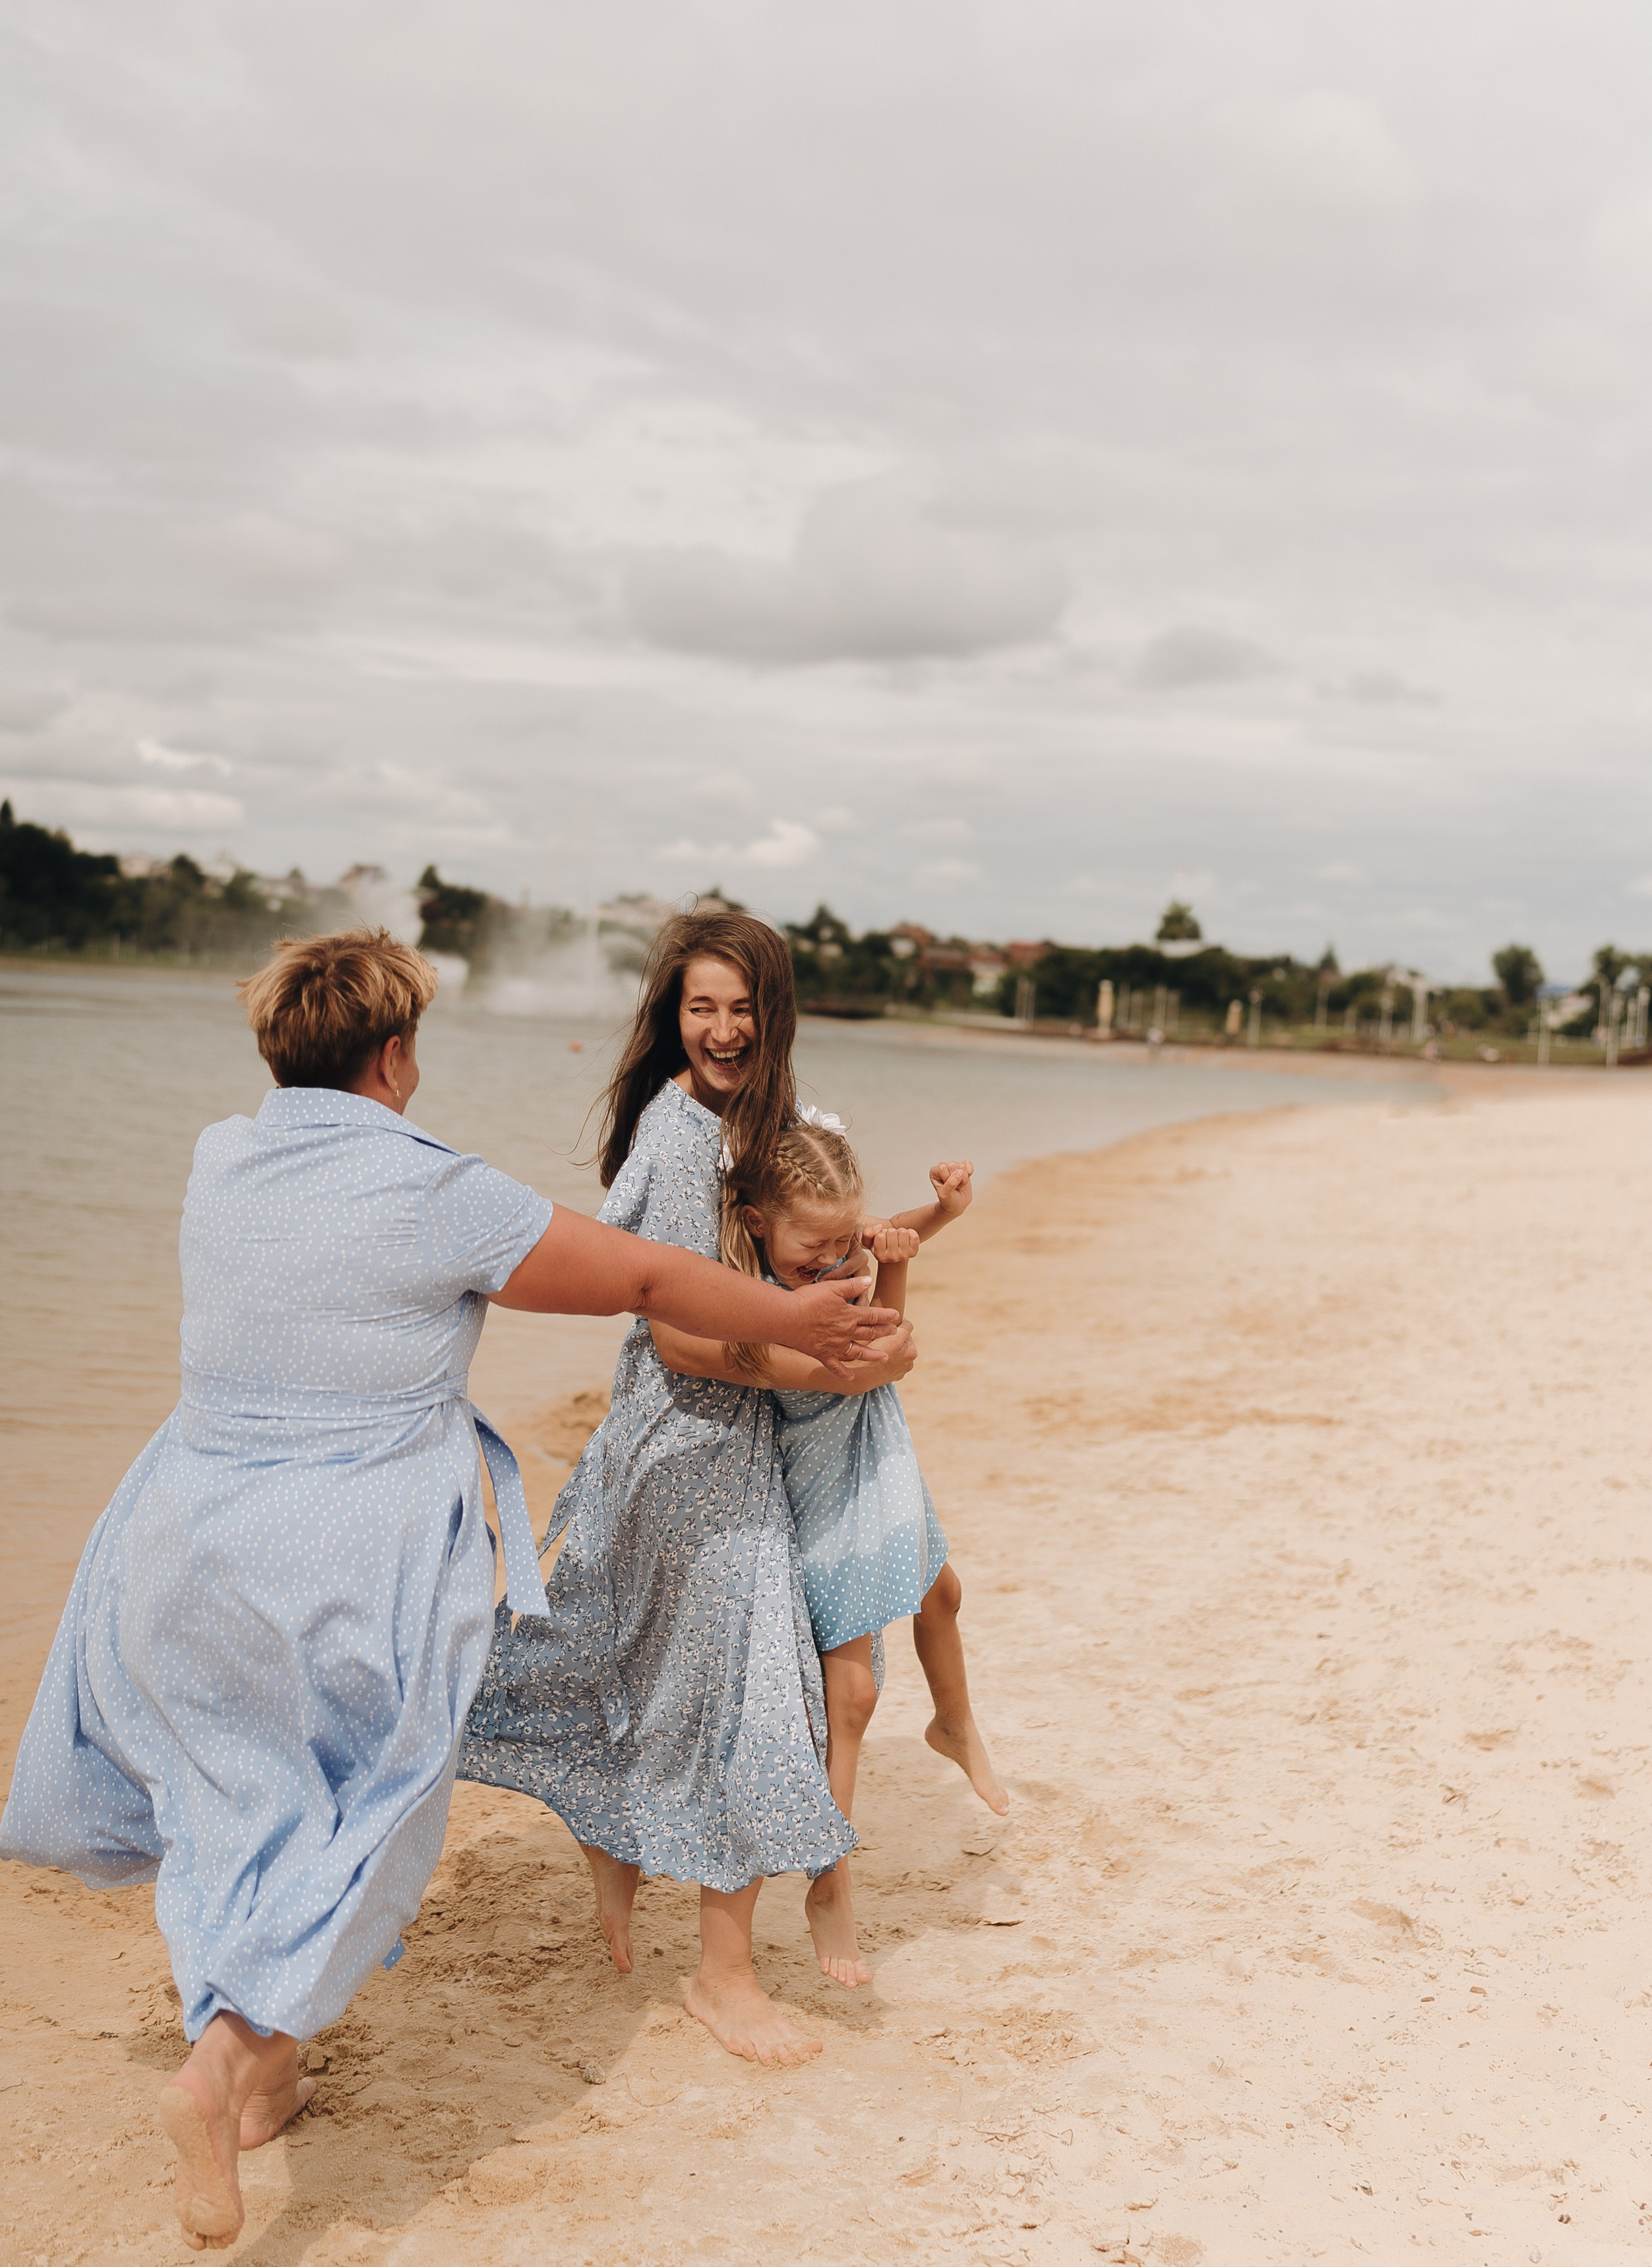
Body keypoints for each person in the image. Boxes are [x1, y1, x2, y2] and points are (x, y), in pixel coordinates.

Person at [0, 929, 895, 2250]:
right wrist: (802, 1320)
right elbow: (640, 1278)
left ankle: (263, 2086)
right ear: (398, 1054)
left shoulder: (217, 1157)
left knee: (234, 1806)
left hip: (177, 1542)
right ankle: (227, 2063)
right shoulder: (438, 1193)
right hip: (340, 1560)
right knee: (367, 1814)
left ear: (274, 1048)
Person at [458, 910, 915, 2065]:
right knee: (759, 1692)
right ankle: (722, 1974)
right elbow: (678, 1336)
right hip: (687, 1446)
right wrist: (827, 1363)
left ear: (774, 1012)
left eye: (740, 1007)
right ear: (673, 1015)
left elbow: (805, 1269)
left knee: (665, 1664)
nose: (719, 1030)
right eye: (698, 1008)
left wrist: (870, 1321)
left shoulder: (759, 1128)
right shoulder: (675, 1135)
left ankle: (617, 1840)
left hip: (729, 1442)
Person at [651, 1123, 1006, 1991]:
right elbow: (875, 1348)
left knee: (944, 1594)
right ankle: (830, 1880)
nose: (833, 1260)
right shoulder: (760, 1295)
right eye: (817, 1246)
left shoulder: (826, 1257)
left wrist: (933, 1216)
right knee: (852, 1694)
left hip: (877, 1455)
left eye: (846, 1242)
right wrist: (893, 1265)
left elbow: (883, 1245)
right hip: (828, 1489)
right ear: (758, 1223)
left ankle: (954, 1723)